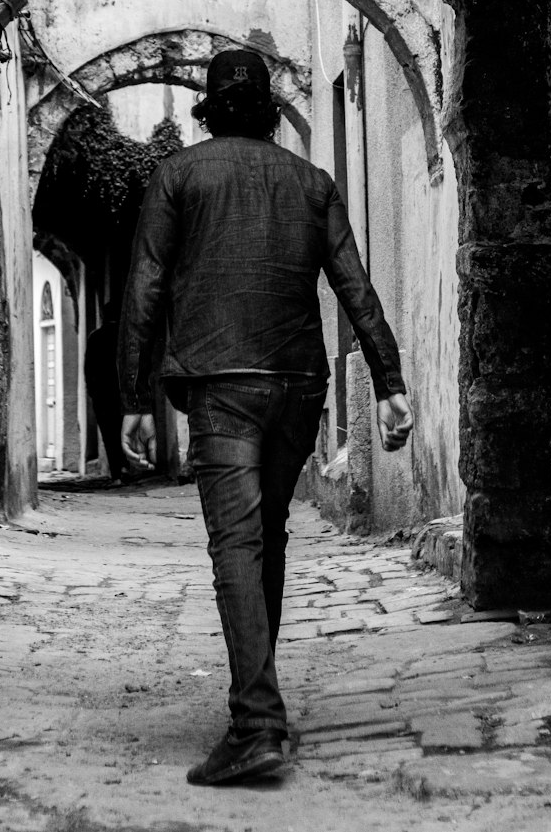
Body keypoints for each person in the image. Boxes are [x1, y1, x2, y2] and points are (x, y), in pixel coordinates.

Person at [117, 48, 413, 786]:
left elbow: (145, 284)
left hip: (220, 385)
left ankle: (255, 723)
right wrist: (389, 379)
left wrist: (130, 398)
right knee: (264, 534)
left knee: (236, 545)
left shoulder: (178, 175)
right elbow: (353, 282)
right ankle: (263, 705)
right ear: (273, 112)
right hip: (297, 385)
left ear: (208, 111)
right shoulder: (312, 182)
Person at [83, 300, 128, 484]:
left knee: (109, 435)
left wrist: (93, 391)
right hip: (122, 393)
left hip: (103, 395)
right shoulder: (124, 336)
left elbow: (89, 368)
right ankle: (126, 466)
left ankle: (116, 474)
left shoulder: (95, 337)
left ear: (103, 316)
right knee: (125, 429)